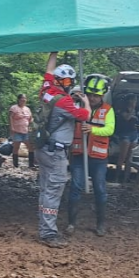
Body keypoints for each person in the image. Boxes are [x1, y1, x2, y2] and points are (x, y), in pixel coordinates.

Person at [36, 52, 91, 248]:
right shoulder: (64, 101)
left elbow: (48, 71)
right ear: (60, 81)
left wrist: (53, 52)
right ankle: (48, 233)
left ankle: (44, 227)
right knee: (53, 190)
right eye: (66, 79)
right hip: (56, 152)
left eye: (71, 80)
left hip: (43, 148)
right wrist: (85, 102)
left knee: (45, 189)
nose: (68, 83)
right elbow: (84, 116)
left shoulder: (46, 90)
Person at [67, 75, 116, 237]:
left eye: (96, 95)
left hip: (99, 159)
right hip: (79, 156)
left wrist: (92, 129)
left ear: (102, 95)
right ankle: (71, 223)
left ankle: (100, 224)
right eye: (90, 95)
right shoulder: (78, 107)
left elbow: (110, 130)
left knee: (100, 190)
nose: (93, 98)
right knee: (75, 187)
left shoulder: (108, 110)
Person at [111, 95, 139, 183]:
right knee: (122, 157)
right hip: (125, 135)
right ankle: (116, 177)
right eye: (133, 100)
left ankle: (126, 179)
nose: (134, 102)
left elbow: (132, 123)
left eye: (135, 100)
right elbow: (126, 118)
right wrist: (131, 110)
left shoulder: (135, 111)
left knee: (129, 158)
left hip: (134, 134)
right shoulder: (123, 109)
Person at [8, 94, 35, 169]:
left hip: (26, 131)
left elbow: (30, 119)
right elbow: (10, 117)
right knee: (16, 147)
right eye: (22, 98)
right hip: (16, 130)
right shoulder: (14, 108)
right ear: (18, 99)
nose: (23, 100)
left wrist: (32, 126)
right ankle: (15, 164)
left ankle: (31, 164)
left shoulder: (27, 109)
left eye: (25, 98)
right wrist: (11, 127)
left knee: (30, 147)